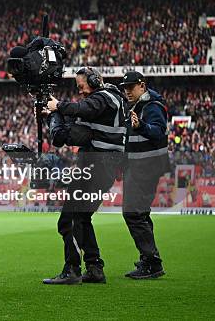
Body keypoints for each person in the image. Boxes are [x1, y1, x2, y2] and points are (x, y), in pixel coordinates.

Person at [43, 67, 126, 285]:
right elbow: (72, 130)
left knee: (68, 219)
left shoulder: (104, 98)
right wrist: (56, 113)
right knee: (81, 217)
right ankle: (94, 268)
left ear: (94, 80)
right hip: (101, 166)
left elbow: (83, 110)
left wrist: (58, 106)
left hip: (97, 165)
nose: (80, 92)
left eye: (82, 86)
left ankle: (71, 269)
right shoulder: (108, 102)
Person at [120, 71, 169, 279]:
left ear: (142, 86)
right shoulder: (138, 106)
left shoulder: (152, 106)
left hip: (146, 165)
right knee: (140, 213)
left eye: (131, 87)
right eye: (125, 88)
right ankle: (149, 259)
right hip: (140, 164)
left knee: (133, 213)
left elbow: (159, 132)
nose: (127, 91)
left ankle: (152, 261)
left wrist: (142, 126)